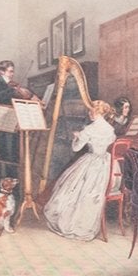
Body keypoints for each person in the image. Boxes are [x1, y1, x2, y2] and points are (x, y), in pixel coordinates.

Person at [42, 98, 117, 241]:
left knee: (71, 189)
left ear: (94, 112)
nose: (89, 113)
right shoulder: (110, 129)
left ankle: (74, 224)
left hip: (91, 163)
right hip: (106, 165)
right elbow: (108, 143)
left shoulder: (88, 129)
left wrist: (76, 137)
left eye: (90, 110)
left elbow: (76, 148)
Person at [0, 59, 34, 174]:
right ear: (1, 72)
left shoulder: (13, 85)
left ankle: (14, 178)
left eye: (13, 72)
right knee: (5, 153)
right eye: (10, 72)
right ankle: (5, 179)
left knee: (15, 153)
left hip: (15, 122)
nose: (12, 74)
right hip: (1, 123)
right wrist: (11, 90)